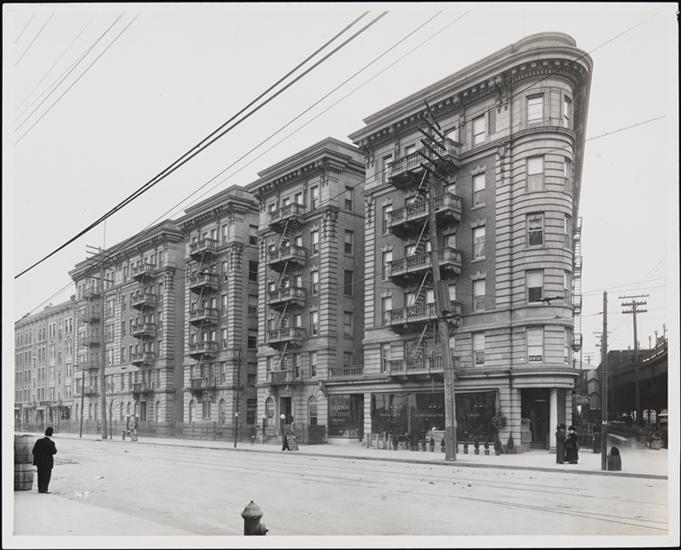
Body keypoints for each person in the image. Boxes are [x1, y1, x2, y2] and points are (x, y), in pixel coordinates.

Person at [32, 427, 57, 494]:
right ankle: (45, 490)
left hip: (39, 462)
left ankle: (40, 490)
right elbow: (54, 451)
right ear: (51, 434)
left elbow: (34, 451)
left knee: (40, 476)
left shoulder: (39, 441)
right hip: (47, 463)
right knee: (46, 477)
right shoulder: (51, 443)